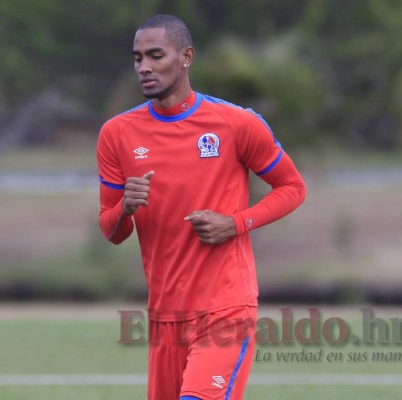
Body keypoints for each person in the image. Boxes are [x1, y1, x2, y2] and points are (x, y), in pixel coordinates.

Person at [97, 14, 306, 400]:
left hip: (226, 306)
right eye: (137, 58)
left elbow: (292, 186)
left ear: (187, 56)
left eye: (156, 55)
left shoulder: (236, 123)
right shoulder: (117, 134)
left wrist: (235, 223)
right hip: (165, 316)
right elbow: (111, 231)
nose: (144, 67)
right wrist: (125, 207)